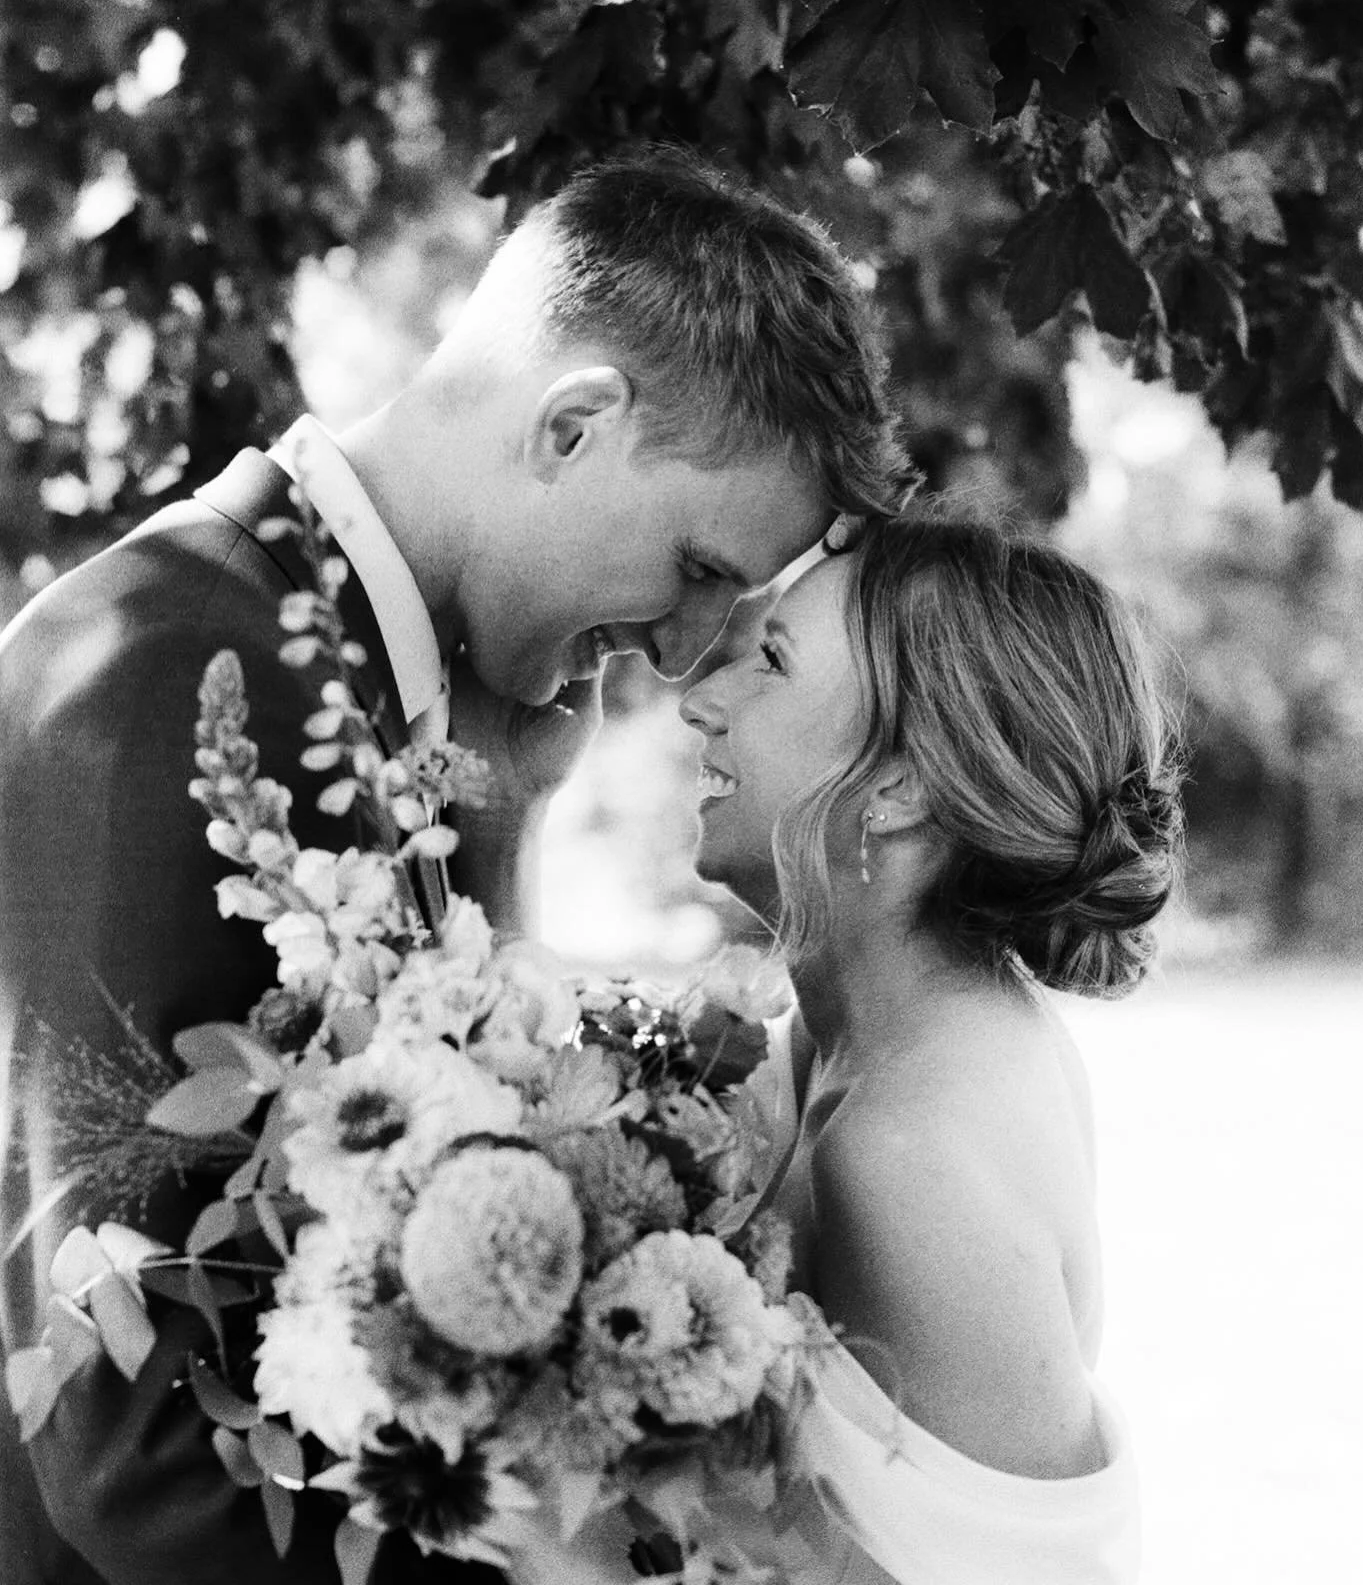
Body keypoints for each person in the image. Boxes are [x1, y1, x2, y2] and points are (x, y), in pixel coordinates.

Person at [0, 147, 909, 1585]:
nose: (684, 654)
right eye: (696, 570)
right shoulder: (171, 670)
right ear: (573, 427)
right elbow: (126, 1430)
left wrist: (496, 818)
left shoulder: (379, 682)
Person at [673, 506, 1183, 1584]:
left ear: (899, 785)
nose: (700, 700)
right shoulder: (839, 1042)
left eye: (770, 663)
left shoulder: (912, 1153)